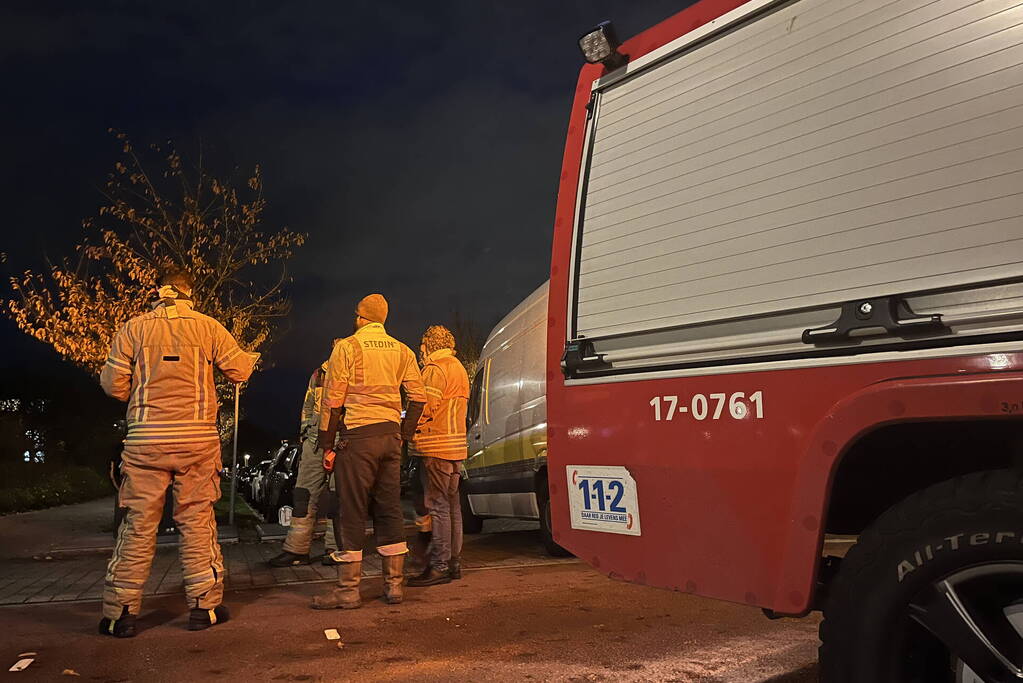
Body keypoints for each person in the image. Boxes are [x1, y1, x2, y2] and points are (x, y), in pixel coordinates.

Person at [98, 265, 257, 637]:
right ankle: (204, 608)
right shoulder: (208, 326)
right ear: (189, 293)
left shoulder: (133, 328)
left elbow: (113, 386)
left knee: (137, 526)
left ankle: (120, 615)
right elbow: (238, 371)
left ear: (158, 292)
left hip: (145, 441)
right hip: (196, 442)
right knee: (197, 521)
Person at [311, 294, 426, 610]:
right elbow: (418, 398)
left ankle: (348, 591)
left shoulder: (346, 347)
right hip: (389, 438)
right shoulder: (403, 351)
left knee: (352, 510)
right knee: (389, 508)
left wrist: (327, 444)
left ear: (361, 317)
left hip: (357, 438)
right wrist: (402, 435)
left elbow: (332, 401)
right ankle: (394, 588)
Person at [407, 325, 470, 587]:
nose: (421, 351)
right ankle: (453, 563)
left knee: (438, 508)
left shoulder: (435, 369)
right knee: (453, 508)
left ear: (429, 345)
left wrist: (406, 428)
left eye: (422, 346)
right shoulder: (458, 367)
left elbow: (425, 406)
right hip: (455, 448)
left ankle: (439, 566)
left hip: (435, 447)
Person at [268, 344, 342, 567]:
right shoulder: (319, 374)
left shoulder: (356, 374)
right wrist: (305, 432)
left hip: (341, 443)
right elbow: (308, 405)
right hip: (314, 442)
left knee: (338, 498)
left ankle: (337, 548)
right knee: (303, 494)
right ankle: (297, 550)